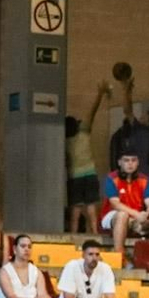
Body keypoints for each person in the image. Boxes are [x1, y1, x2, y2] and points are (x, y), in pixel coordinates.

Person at [100, 150, 149, 256]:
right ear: (119, 162)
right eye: (126, 160)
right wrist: (136, 214)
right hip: (112, 215)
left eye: (133, 160)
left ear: (138, 162)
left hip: (137, 216)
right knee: (123, 215)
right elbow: (115, 204)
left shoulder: (144, 179)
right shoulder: (111, 178)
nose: (130, 163)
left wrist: (147, 212)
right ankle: (119, 253)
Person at [67, 99, 101, 233]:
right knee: (91, 206)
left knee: (75, 209)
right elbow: (91, 113)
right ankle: (95, 232)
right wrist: (99, 95)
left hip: (74, 176)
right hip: (90, 173)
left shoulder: (65, 141)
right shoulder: (84, 133)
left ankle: (73, 235)